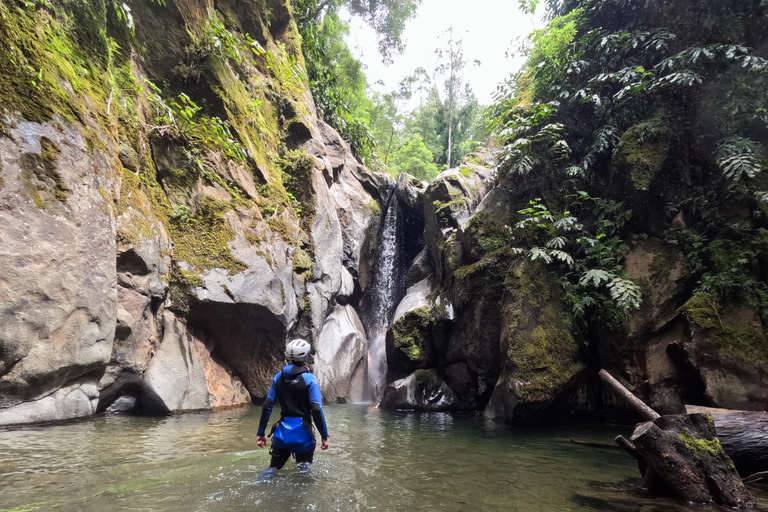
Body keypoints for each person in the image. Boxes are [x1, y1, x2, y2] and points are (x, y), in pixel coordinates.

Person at [256, 338, 329, 476]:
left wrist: (260, 433)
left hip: (281, 435)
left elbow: (267, 406)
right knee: (304, 474)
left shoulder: (278, 378)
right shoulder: (309, 379)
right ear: (305, 357)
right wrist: (324, 436)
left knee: (272, 470)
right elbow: (316, 408)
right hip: (303, 435)